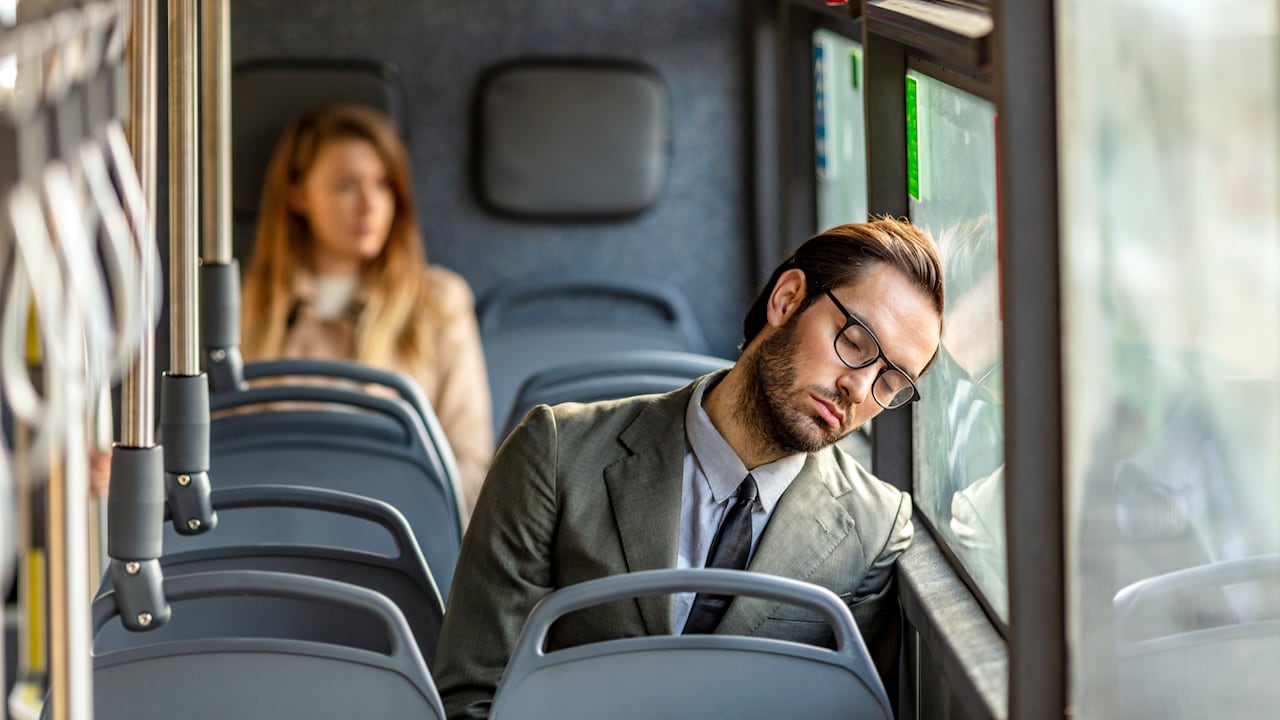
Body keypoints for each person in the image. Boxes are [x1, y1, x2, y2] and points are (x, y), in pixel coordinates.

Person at [434, 218, 945, 719]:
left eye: (892, 381)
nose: (859, 390)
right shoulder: (556, 454)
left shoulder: (873, 529)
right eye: (855, 343)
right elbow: (474, 698)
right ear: (787, 299)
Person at [241, 104, 493, 511]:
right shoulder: (248, 307)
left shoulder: (438, 302)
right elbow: (217, 458)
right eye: (345, 186)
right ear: (298, 195)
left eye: (383, 185)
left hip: (402, 542)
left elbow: (470, 462)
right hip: (279, 538)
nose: (370, 205)